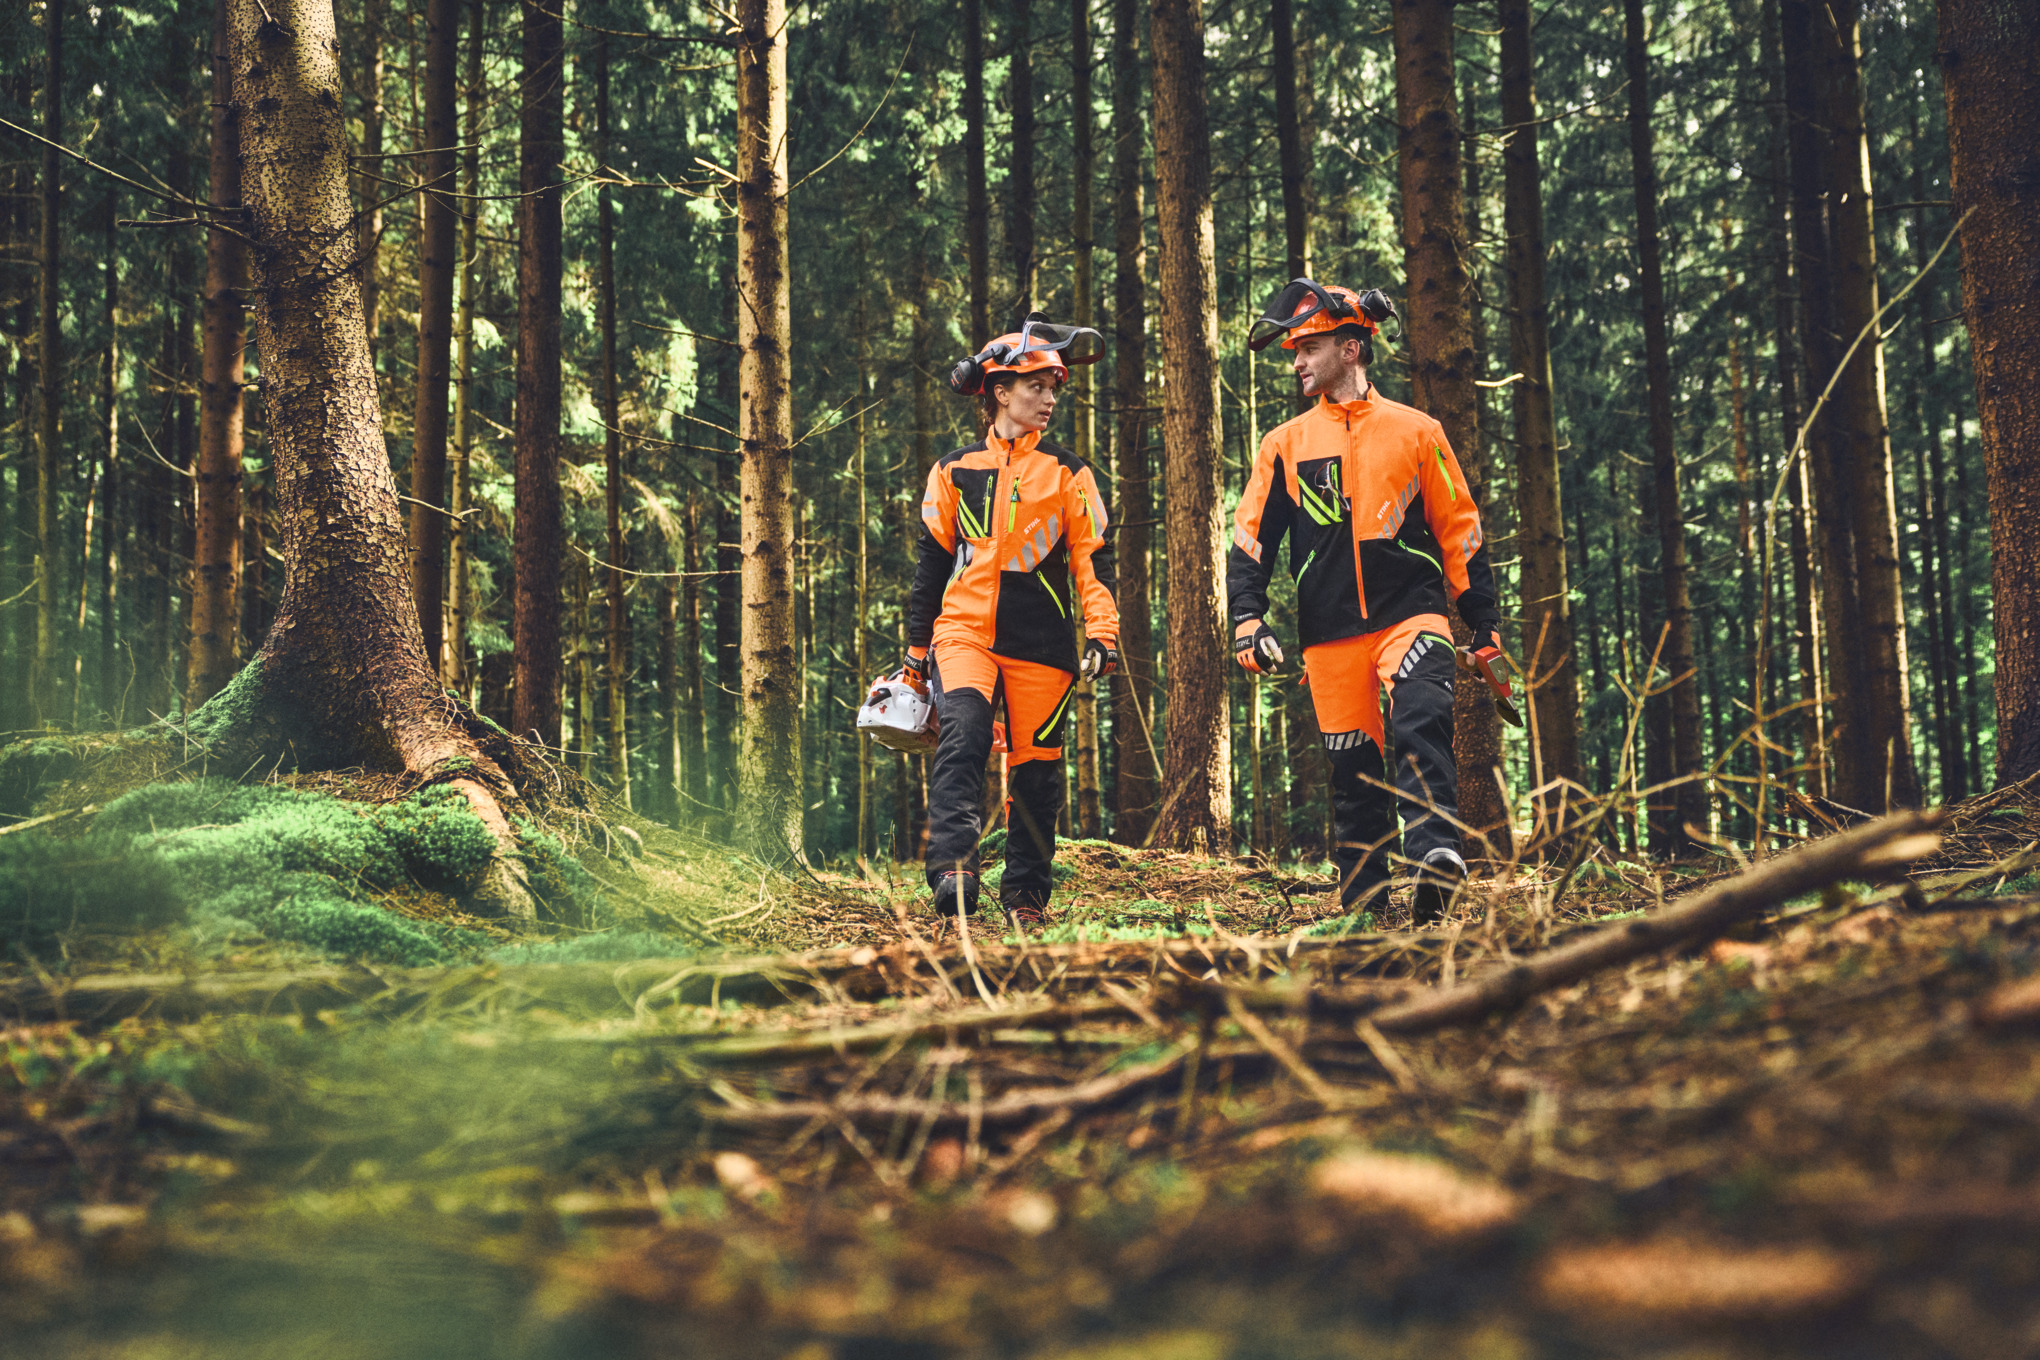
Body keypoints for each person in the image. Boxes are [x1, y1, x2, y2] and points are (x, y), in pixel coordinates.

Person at [1227, 279, 1502, 922]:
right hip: (1328, 633)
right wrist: (1247, 617)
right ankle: (1364, 908)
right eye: (1293, 349)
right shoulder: (1283, 444)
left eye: (1309, 346)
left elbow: (1461, 531)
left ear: (1351, 349)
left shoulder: (1418, 431)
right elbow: (1250, 543)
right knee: (1352, 772)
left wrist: (1482, 624)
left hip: (1413, 612)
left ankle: (1437, 856)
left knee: (1420, 720)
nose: (1296, 361)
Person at [904, 314, 1121, 930]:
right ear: (999, 390)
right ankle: (953, 871)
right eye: (1036, 387)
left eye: (1055, 388)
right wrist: (917, 651)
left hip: (1044, 646)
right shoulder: (953, 469)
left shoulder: (1070, 472)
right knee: (964, 736)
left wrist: (1102, 633)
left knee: (1037, 774)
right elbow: (930, 564)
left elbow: (1095, 563)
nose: (1050, 399)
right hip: (963, 632)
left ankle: (1025, 898)